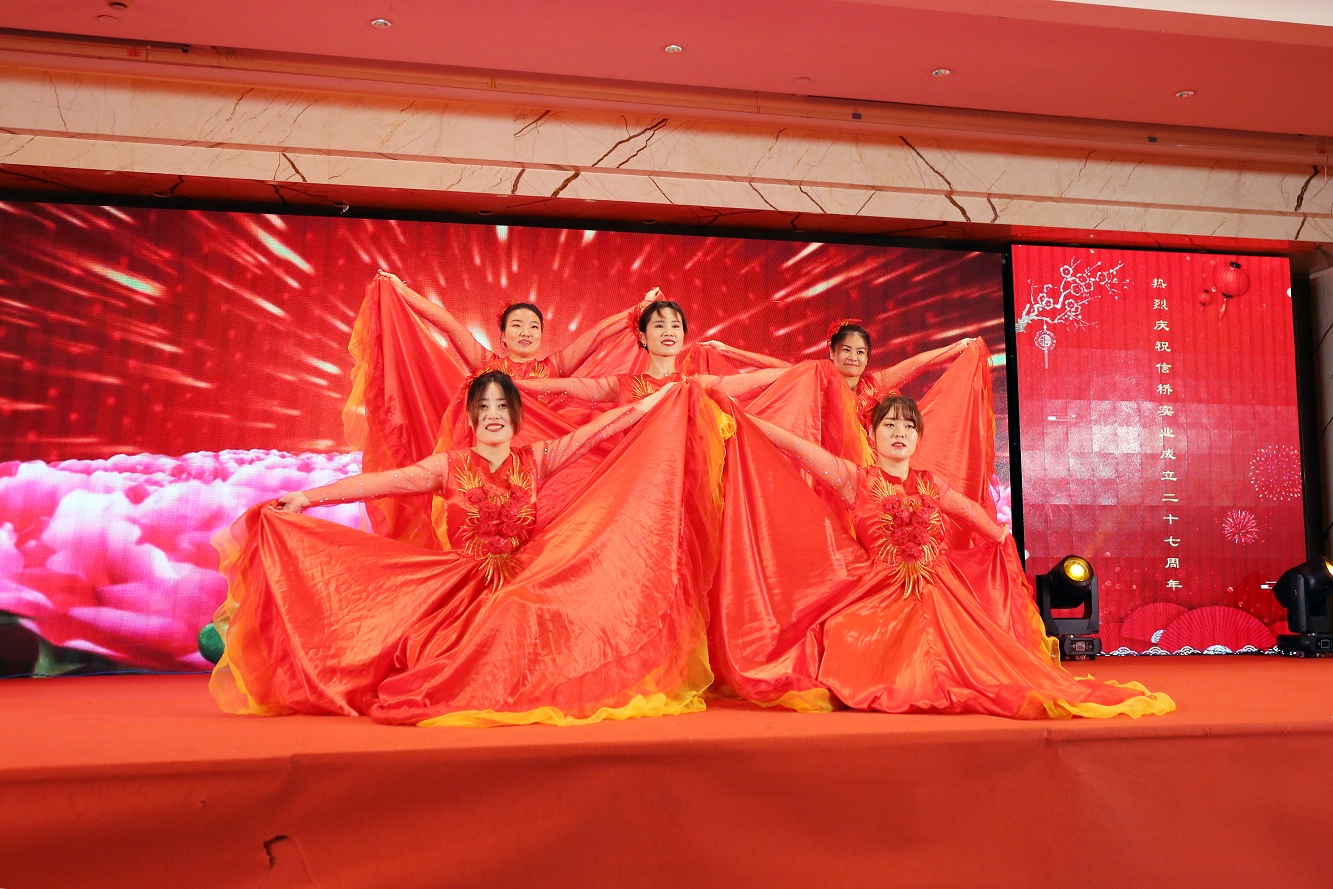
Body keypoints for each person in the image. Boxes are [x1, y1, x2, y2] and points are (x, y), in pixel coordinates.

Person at [209, 371, 730, 727]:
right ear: (471, 417)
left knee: (542, 602)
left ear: (516, 415)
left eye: (503, 406)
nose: (494, 415)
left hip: (525, 575)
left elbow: (603, 428)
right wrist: (309, 497)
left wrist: (660, 400)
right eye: (484, 407)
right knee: (504, 612)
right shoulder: (448, 467)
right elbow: (378, 483)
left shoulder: (538, 459)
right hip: (463, 588)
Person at [745, 394, 1175, 719]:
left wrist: (998, 534)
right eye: (890, 424)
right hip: (874, 593)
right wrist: (744, 419)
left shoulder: (932, 484)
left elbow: (971, 513)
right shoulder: (852, 479)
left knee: (976, 663)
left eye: (908, 426)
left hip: (939, 592)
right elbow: (796, 447)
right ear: (872, 434)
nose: (899, 433)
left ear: (918, 437)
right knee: (842, 631)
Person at [344, 271, 655, 549]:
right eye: (516, 326)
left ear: (541, 335)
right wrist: (403, 292)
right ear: (503, 335)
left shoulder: (553, 369)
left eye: (533, 327)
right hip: (488, 474)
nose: (525, 332)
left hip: (535, 475)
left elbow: (597, 334)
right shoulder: (487, 366)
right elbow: (449, 324)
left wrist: (639, 309)